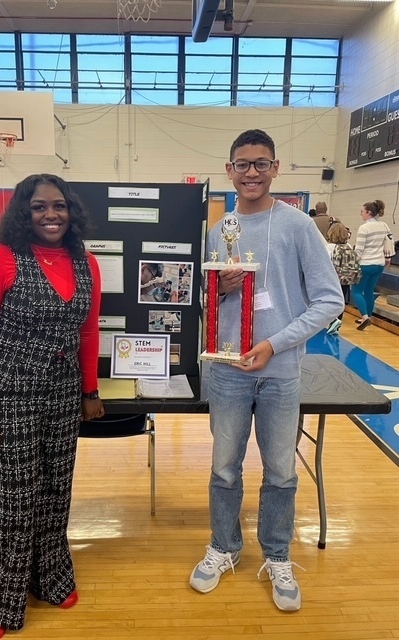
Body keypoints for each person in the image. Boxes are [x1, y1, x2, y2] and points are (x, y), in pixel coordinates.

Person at [189, 130, 344, 611]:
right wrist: (221, 291)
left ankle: (276, 554)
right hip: (228, 373)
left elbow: (330, 301)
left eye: (260, 163)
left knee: (280, 472)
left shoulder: (298, 226)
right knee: (223, 468)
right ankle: (224, 546)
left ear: (276, 168)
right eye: (242, 164)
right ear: (229, 170)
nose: (251, 172)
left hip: (280, 373)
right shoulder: (219, 231)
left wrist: (275, 343)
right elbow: (201, 303)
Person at [0, 173, 104, 640]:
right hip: (10, 396)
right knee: (13, 499)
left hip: (63, 396)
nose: (50, 215)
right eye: (39, 206)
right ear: (24, 212)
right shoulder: (1, 260)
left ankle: (49, 578)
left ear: (71, 211)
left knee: (54, 492)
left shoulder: (86, 262)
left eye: (59, 206)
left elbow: (86, 333)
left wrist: (89, 391)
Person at [351, 199, 392, 330]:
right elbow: (389, 243)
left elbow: (359, 249)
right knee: (369, 291)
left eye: (362, 211)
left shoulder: (364, 228)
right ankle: (368, 315)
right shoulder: (384, 225)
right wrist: (387, 257)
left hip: (365, 263)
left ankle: (365, 317)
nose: (361, 214)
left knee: (356, 290)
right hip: (379, 263)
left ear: (369, 212)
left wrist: (353, 264)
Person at [325, 222, 359, 335]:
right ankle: (337, 321)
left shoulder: (330, 247)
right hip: (345, 278)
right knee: (341, 300)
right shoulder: (348, 246)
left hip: (332, 278)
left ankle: (332, 320)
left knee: (328, 300)